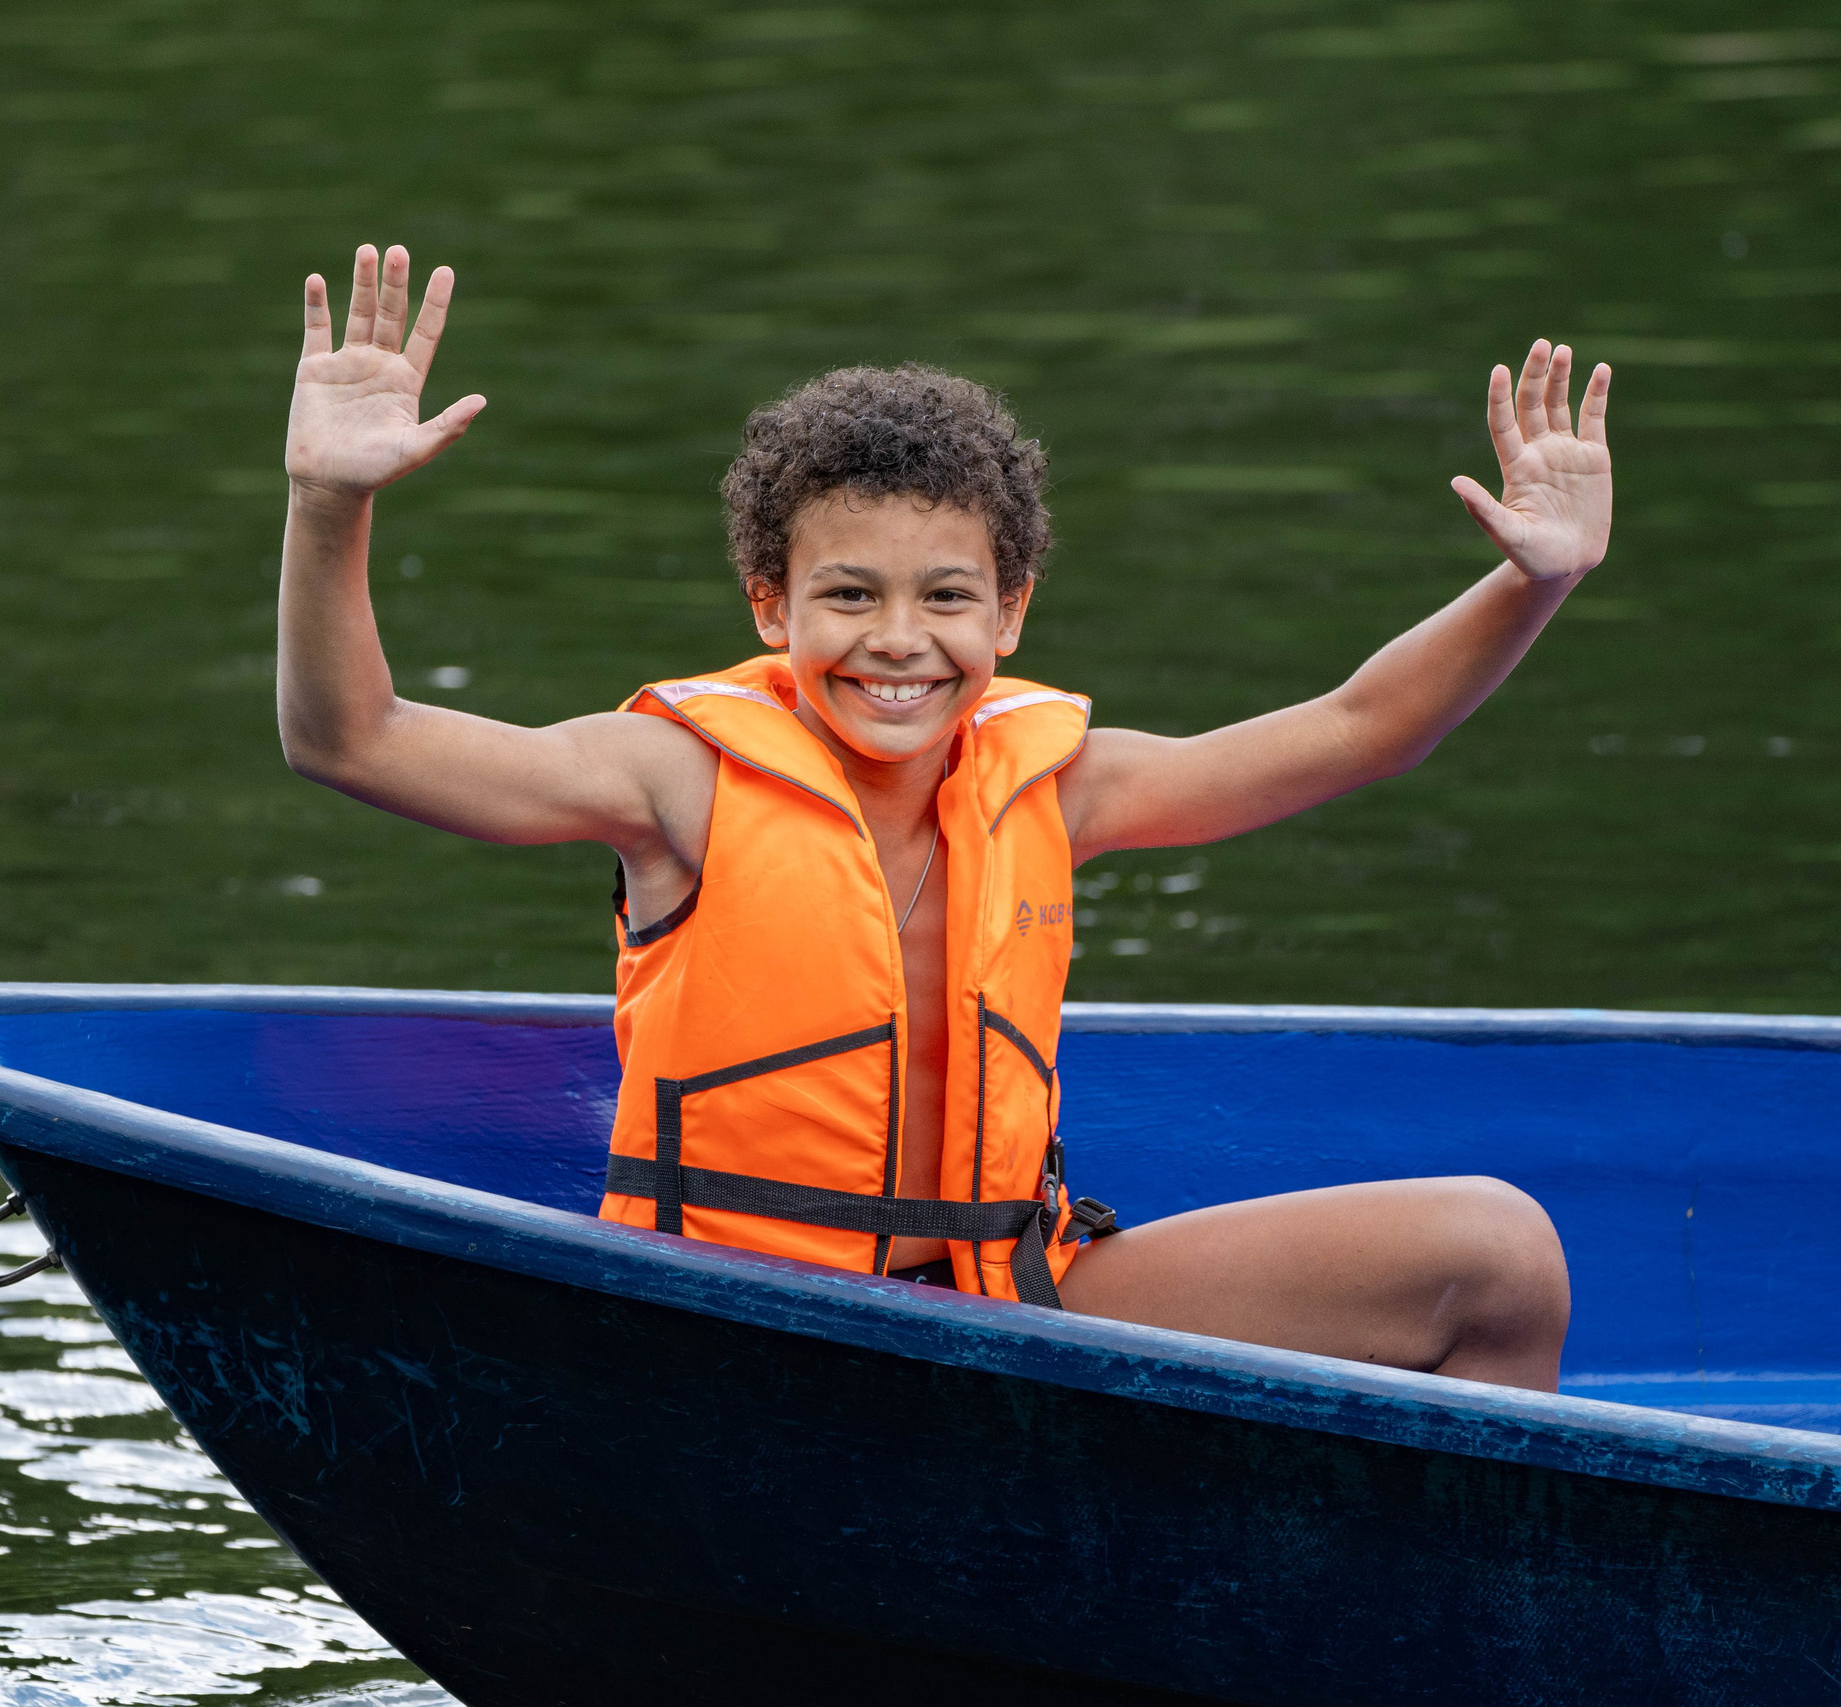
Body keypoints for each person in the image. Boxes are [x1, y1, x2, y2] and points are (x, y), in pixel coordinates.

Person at [277, 244, 1607, 1394]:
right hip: (732, 1321)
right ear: (769, 606)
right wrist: (332, 501)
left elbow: (1365, 729)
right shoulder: (671, 780)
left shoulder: (1061, 785)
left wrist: (1531, 585)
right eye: (848, 597)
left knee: (1498, 1256)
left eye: (948, 599)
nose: (898, 644)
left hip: (1006, 1301)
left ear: (1011, 612)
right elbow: (352, 739)